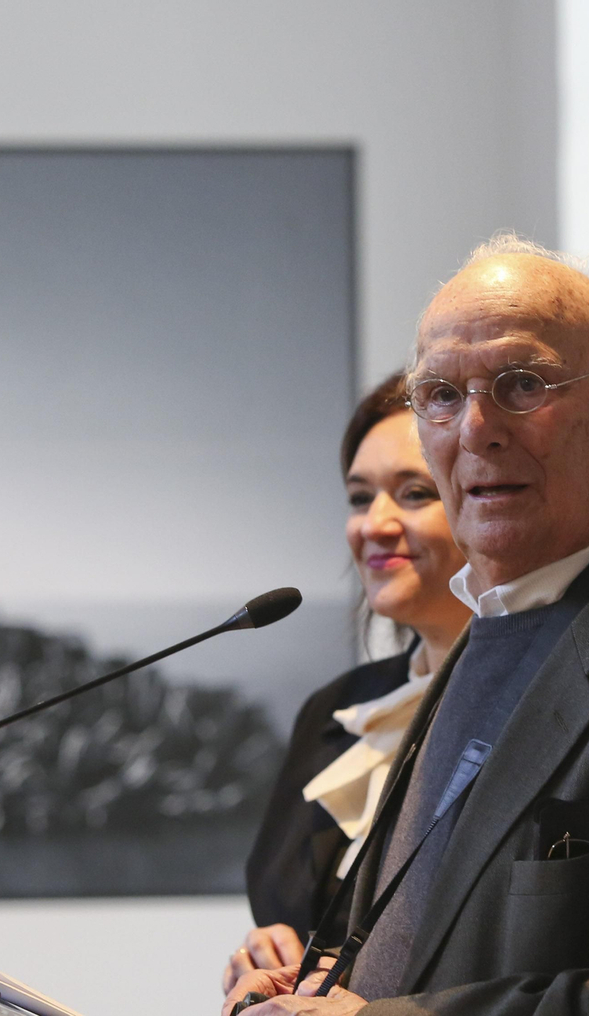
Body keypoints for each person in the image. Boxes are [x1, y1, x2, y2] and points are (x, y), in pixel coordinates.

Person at [224, 235, 589, 1016]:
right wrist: (312, 985)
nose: (476, 429)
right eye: (442, 396)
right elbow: (424, 927)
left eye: (522, 385)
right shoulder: (494, 618)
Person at [227, 372, 473, 993]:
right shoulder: (335, 711)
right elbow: (296, 920)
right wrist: (265, 962)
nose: (374, 525)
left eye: (415, 493)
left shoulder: (539, 706)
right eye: (361, 498)